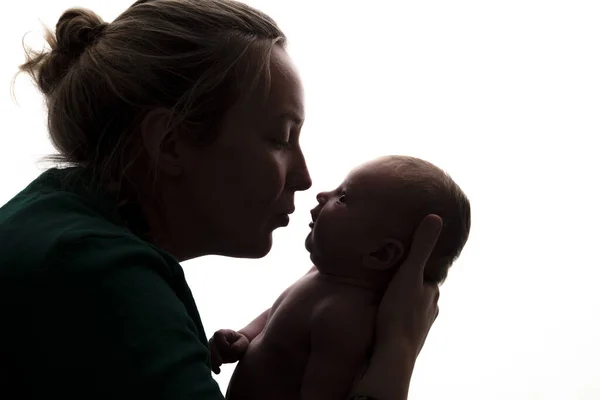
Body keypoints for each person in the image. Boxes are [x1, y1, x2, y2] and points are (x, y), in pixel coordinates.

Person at [0, 1, 442, 399]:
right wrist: (397, 352)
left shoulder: (55, 230)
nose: (306, 179)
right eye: (280, 139)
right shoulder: (100, 277)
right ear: (171, 143)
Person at [210, 155, 471, 400]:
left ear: (380, 253)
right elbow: (277, 313)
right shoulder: (322, 276)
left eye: (343, 198)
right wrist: (246, 335)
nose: (323, 195)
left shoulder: (345, 318)